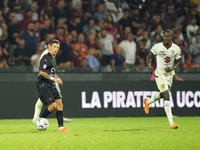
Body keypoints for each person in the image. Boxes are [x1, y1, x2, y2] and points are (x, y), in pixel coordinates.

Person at [144, 29, 181, 129]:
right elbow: (149, 57)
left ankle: (147, 102)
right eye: (165, 36)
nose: (166, 38)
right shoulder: (157, 47)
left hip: (169, 74)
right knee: (166, 94)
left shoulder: (176, 48)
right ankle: (171, 123)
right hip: (159, 73)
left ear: (172, 37)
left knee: (164, 94)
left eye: (168, 36)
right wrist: (149, 66)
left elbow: (178, 61)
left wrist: (172, 68)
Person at [33, 40, 71, 124]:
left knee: (59, 103)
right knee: (52, 105)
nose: (56, 49)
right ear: (49, 46)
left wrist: (58, 79)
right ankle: (38, 119)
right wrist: (54, 79)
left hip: (50, 83)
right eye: (54, 47)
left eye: (57, 47)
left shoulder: (53, 59)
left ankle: (61, 127)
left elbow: (52, 72)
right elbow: (41, 72)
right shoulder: (46, 56)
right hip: (43, 84)